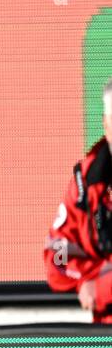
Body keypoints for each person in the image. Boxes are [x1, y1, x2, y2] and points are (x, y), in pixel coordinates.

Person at [43, 77, 112, 321]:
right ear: (105, 126)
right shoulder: (86, 181)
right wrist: (82, 275)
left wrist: (100, 286)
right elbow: (57, 252)